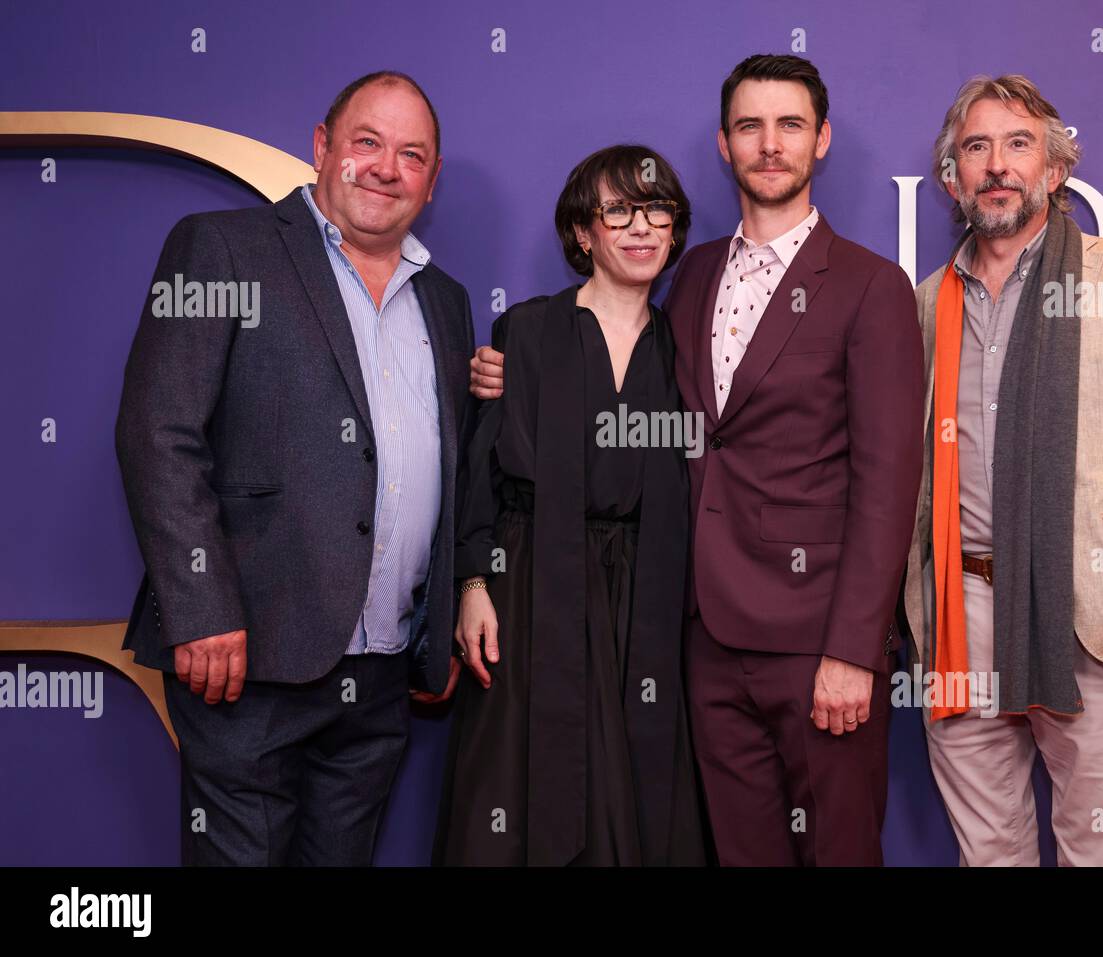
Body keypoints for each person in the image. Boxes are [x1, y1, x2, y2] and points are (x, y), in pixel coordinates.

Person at [470, 56, 925, 866]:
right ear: (724, 144)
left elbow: (889, 485)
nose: (769, 144)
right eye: (750, 126)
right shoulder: (692, 278)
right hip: (696, 638)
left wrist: (855, 650)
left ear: (821, 140)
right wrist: (518, 372)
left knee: (837, 851)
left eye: (790, 125)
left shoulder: (871, 285)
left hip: (816, 640)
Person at [115, 71, 474, 865]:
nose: (387, 168)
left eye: (411, 154)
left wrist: (442, 617)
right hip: (249, 659)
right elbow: (158, 430)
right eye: (367, 143)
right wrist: (201, 605)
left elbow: (447, 464)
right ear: (323, 147)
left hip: (383, 673)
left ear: (432, 178)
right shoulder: (220, 248)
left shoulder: (444, 302)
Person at [902, 75, 1103, 865]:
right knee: (989, 853)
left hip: (1089, 611)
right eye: (975, 148)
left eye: (1019, 144)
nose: (997, 165)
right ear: (953, 177)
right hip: (963, 617)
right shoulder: (926, 302)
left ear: (1055, 169)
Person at [434, 145, 707, 866]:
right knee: (521, 802)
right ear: (583, 232)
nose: (641, 226)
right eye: (618, 210)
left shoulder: (687, 348)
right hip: (530, 595)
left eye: (657, 210)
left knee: (633, 801)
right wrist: (472, 585)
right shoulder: (523, 332)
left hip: (641, 602)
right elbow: (478, 474)